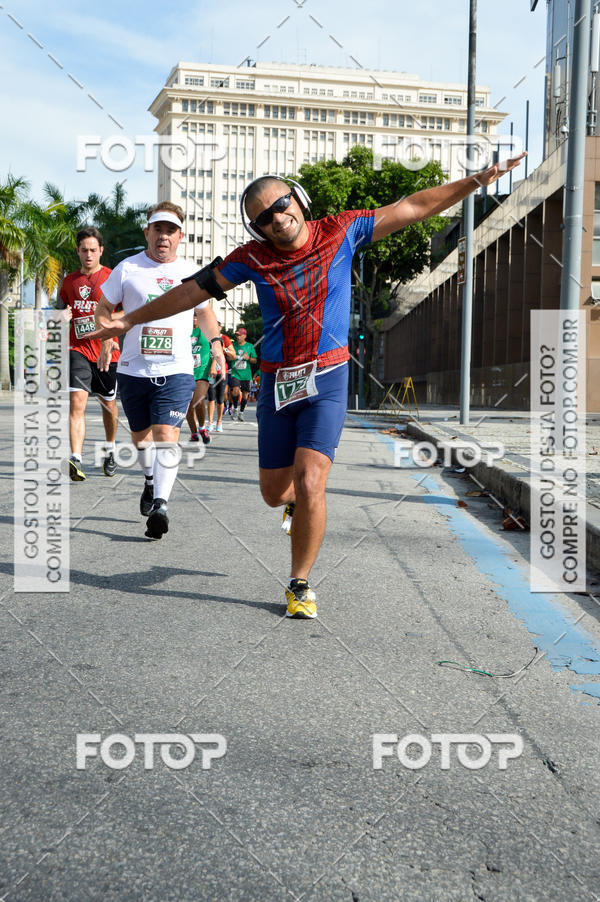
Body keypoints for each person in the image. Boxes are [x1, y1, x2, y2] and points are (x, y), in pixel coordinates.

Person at [91, 155, 526, 612]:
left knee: (311, 478)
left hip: (328, 376)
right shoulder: (251, 258)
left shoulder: (342, 230)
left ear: (298, 199)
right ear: (258, 228)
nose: (278, 218)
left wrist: (475, 181)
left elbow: (413, 207)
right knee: (274, 493)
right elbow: (188, 292)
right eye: (264, 217)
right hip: (277, 383)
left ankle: (299, 583)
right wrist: (129, 321)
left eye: (281, 204)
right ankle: (294, 504)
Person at [93, 201, 225, 539]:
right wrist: (107, 336)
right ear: (147, 232)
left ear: (180, 236)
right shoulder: (127, 268)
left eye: (170, 230)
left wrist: (215, 343)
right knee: (141, 438)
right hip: (133, 369)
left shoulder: (192, 272)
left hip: (177, 368)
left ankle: (160, 506)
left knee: (166, 434)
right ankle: (150, 482)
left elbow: (205, 313)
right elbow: (103, 307)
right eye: (158, 229)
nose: (163, 236)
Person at [58, 227, 120, 482]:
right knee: (77, 402)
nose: (89, 254)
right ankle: (76, 458)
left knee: (108, 405)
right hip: (78, 349)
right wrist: (61, 317)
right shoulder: (69, 281)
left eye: (93, 250)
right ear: (78, 251)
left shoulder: (112, 278)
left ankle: (110, 450)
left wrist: (108, 332)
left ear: (101, 250)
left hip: (107, 351)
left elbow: (127, 313)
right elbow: (63, 310)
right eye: (84, 250)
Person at [187, 312, 212, 444]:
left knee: (198, 400)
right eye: (192, 316)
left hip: (202, 372)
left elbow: (217, 349)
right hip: (186, 372)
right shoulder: (184, 330)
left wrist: (214, 366)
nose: (194, 319)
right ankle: (193, 433)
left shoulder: (206, 330)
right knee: (187, 405)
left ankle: (202, 428)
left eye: (196, 316)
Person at [206, 322, 235, 433]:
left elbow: (233, 355)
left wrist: (225, 349)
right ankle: (210, 422)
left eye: (217, 326)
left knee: (220, 398)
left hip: (222, 371)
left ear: (220, 327)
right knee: (210, 397)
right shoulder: (206, 337)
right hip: (209, 372)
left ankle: (219, 422)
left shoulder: (224, 338)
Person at [229, 326, 257, 421]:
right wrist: (231, 357)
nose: (238, 337)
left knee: (245, 394)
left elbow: (255, 360)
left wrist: (248, 358)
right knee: (235, 390)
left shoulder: (249, 346)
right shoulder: (233, 345)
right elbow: (228, 357)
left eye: (240, 335)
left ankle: (241, 412)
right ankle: (235, 409)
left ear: (244, 336)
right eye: (237, 335)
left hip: (246, 374)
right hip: (235, 372)